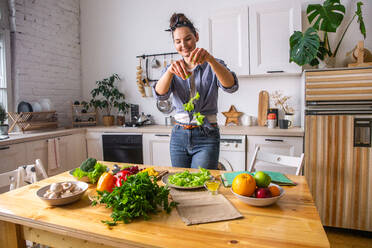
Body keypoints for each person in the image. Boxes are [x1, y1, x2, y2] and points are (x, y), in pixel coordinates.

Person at [153, 13, 238, 169]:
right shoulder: (171, 69)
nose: (184, 45)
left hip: (207, 134)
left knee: (201, 183)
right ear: (174, 44)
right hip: (179, 134)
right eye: (178, 41)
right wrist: (170, 72)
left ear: (196, 37)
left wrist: (210, 60)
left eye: (188, 39)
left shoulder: (214, 64)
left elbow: (231, 86)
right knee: (180, 182)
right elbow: (160, 94)